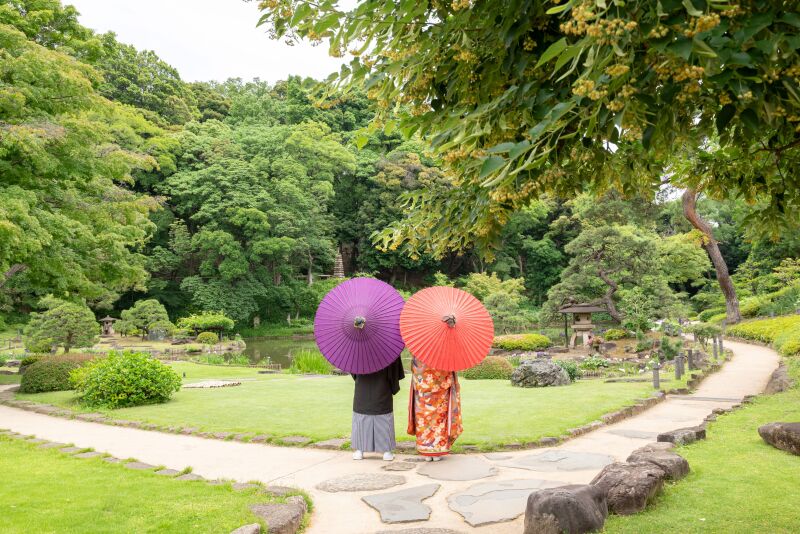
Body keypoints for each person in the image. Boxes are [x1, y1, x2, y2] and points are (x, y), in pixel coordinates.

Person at [407, 356, 462, 461]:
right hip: (441, 393)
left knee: (423, 419)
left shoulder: (418, 352)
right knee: (439, 420)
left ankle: (425, 448)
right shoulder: (444, 353)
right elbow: (448, 372)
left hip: (422, 393)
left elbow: (414, 370)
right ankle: (438, 449)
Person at [351, 356, 404, 461]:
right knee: (384, 418)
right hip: (382, 388)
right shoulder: (389, 348)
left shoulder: (357, 347)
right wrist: (393, 386)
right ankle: (386, 452)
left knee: (361, 417)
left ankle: (360, 451)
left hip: (363, 389)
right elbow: (394, 373)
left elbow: (353, 371)